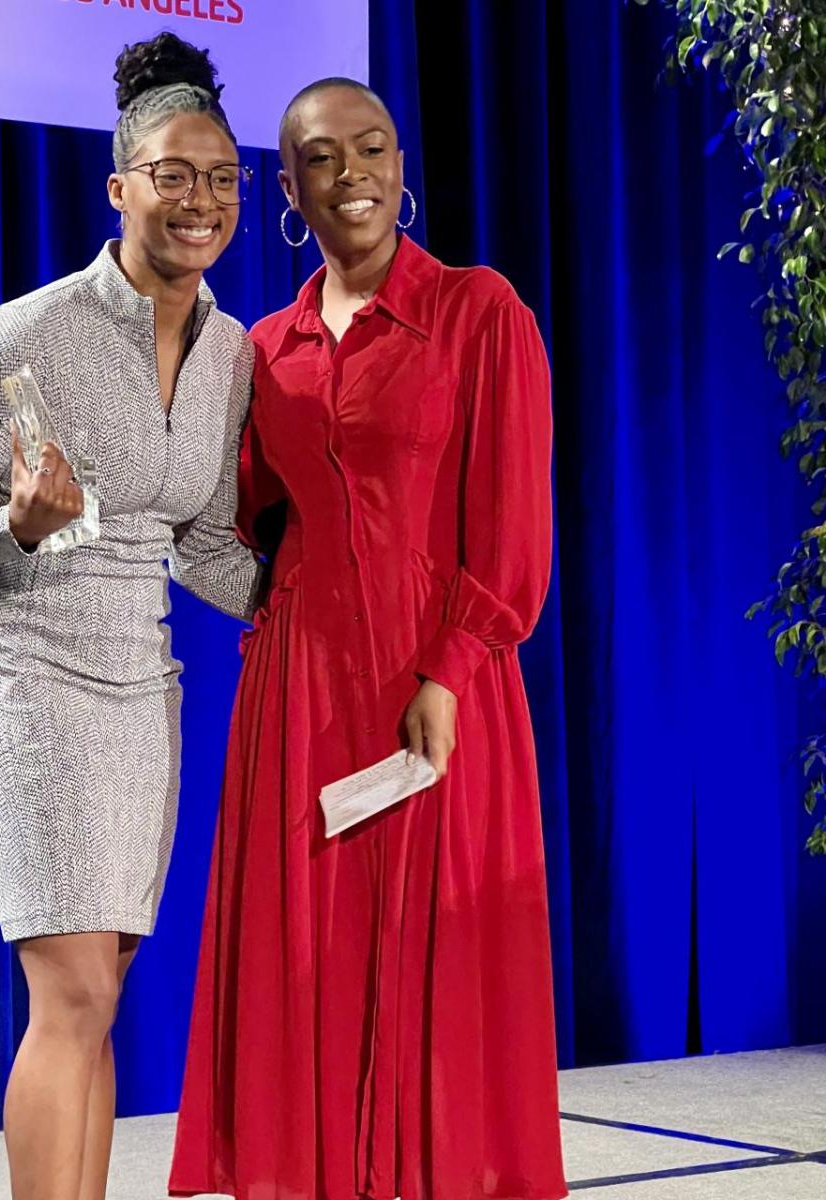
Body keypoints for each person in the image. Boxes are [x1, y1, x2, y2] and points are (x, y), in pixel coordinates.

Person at [170, 77, 568, 1200]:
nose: (352, 176)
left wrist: (450, 666)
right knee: (314, 958)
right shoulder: (269, 345)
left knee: (441, 954)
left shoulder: (481, 313)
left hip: (440, 677)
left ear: (402, 163)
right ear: (286, 188)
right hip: (300, 689)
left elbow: (514, 526)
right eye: (322, 159)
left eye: (372, 149)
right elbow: (236, 512)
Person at [0, 32, 260, 1200]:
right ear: (121, 187)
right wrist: (12, 527)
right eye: (172, 174)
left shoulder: (233, 355)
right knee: (76, 993)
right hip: (18, 669)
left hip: (137, 684)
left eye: (218, 179)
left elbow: (200, 541)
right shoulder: (28, 332)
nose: (197, 200)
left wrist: (316, 612)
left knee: (99, 990)